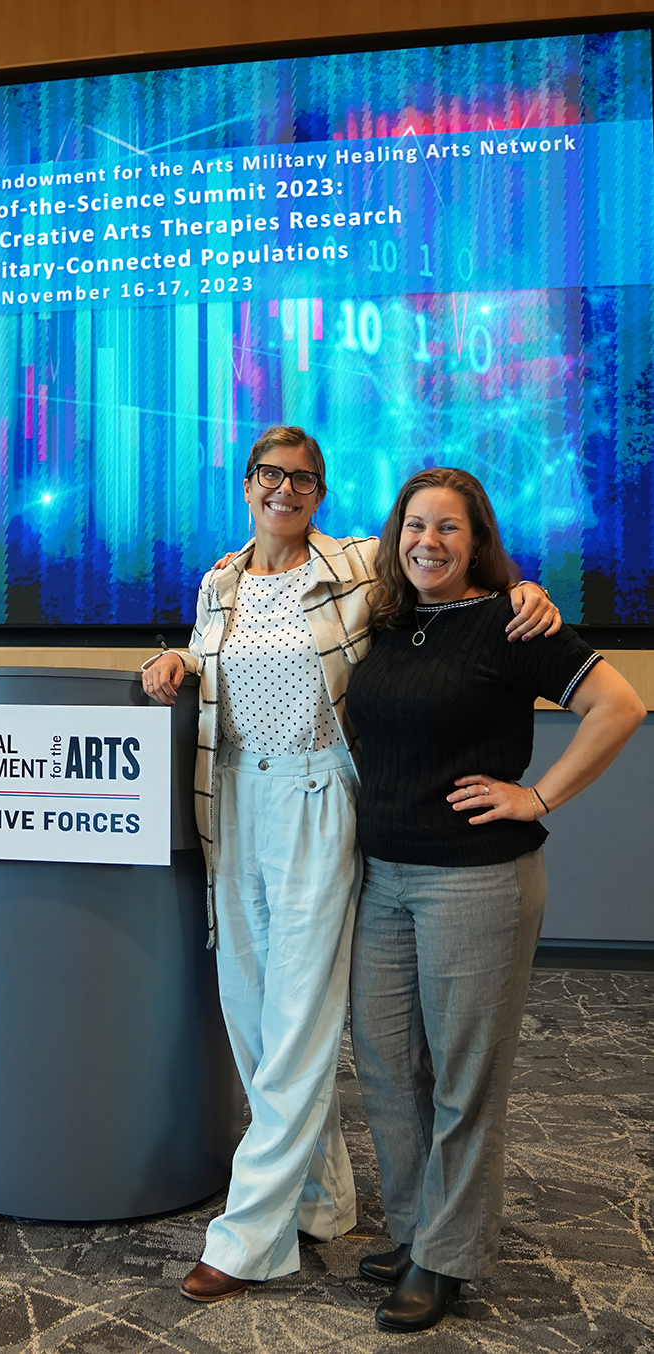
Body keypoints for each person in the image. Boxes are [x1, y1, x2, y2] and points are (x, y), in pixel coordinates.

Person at [141, 427, 559, 1301]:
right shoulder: (219, 580)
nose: (284, 490)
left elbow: (448, 567)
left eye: (303, 479)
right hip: (231, 799)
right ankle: (324, 1198)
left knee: (296, 1024)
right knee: (251, 1017)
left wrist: (524, 591)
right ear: (246, 482)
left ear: (320, 494)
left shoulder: (362, 563)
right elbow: (206, 652)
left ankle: (247, 1234)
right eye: (269, 474)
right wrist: (174, 658)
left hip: (318, 799)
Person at [346, 467, 645, 1334]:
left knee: (464, 1078)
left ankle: (445, 1257)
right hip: (382, 877)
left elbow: (616, 706)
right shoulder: (388, 620)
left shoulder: (513, 619)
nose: (426, 542)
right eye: (412, 526)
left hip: (473, 881)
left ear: (476, 539)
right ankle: (412, 1229)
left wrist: (537, 796)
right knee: (389, 1065)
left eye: (447, 528)